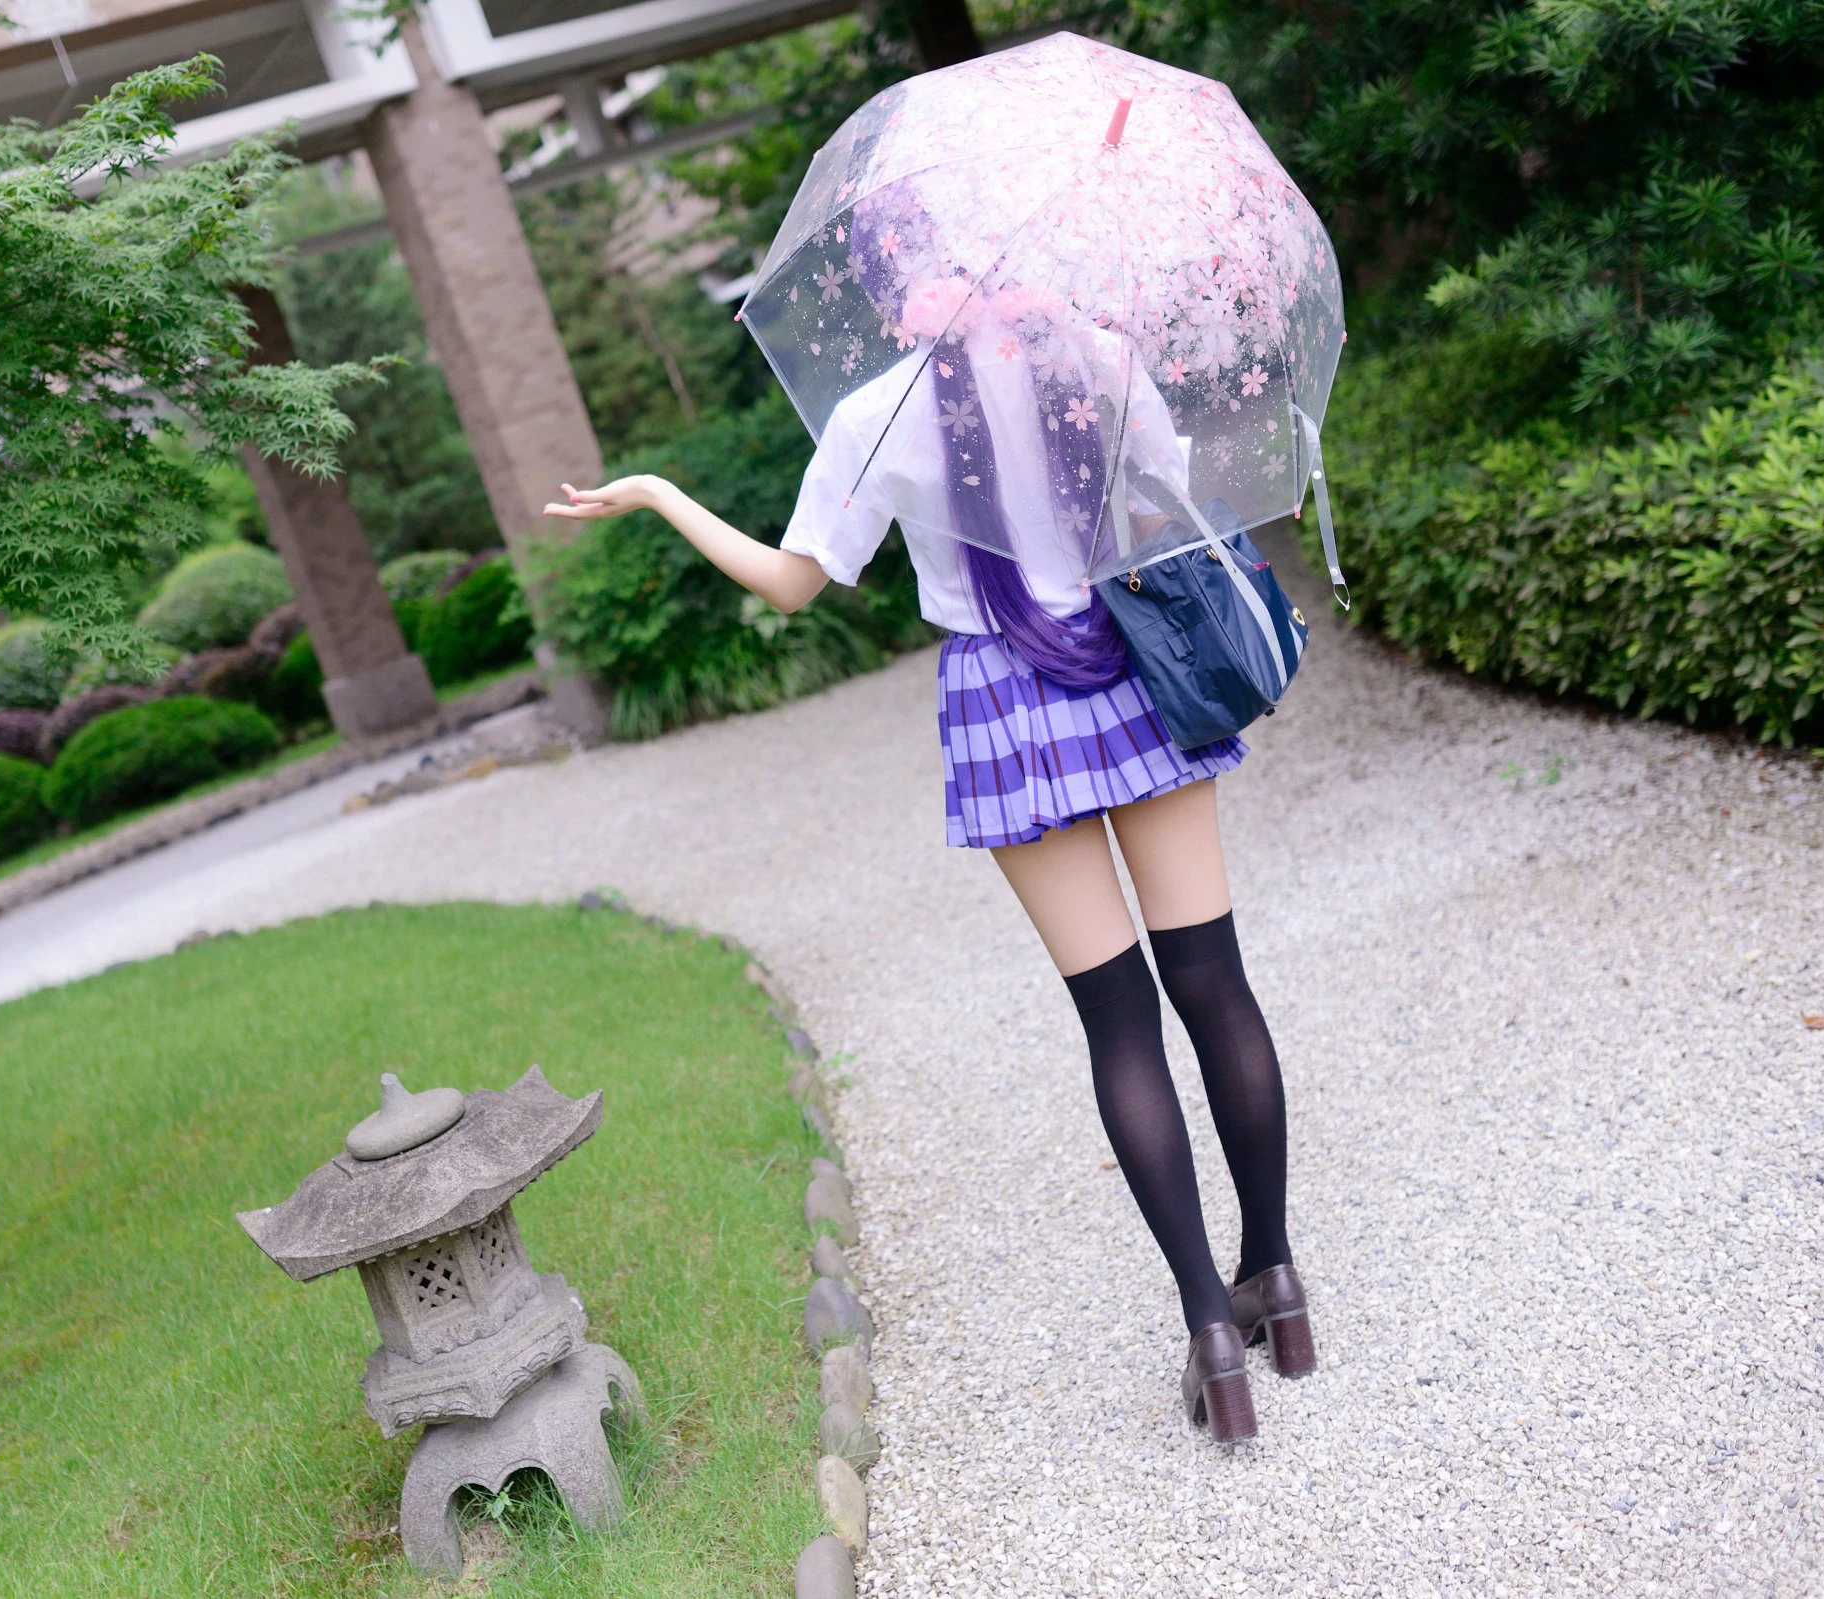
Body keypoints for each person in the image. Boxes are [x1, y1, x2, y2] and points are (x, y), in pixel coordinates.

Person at [543, 285, 1313, 1446]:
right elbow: (1167, 508)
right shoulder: (1099, 355)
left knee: (1120, 1026)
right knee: (1215, 985)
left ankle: (1212, 1328)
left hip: (1004, 702)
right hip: (1138, 662)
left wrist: (657, 493)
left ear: (896, 278)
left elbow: (793, 583)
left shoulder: (879, 413)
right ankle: (1277, 1281)